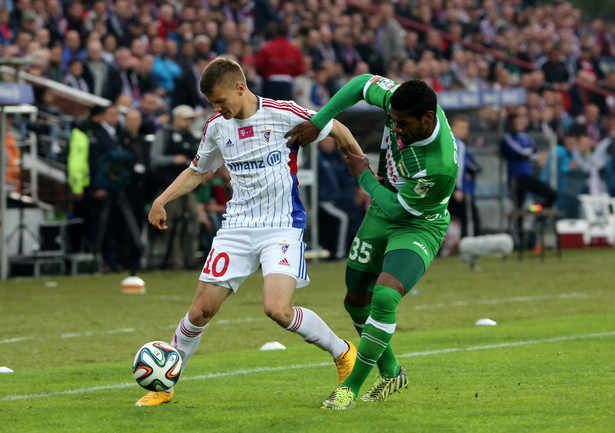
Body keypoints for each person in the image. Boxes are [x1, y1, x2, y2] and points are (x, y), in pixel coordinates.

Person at [136, 57, 361, 407]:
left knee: (278, 310)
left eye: (220, 101)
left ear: (240, 88)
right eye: (212, 103)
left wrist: (364, 174)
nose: (217, 108)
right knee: (199, 312)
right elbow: (197, 171)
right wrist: (161, 200)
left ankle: (344, 353)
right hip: (237, 227)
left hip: (282, 225)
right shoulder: (216, 127)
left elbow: (339, 130)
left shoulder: (282, 112)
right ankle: (163, 387)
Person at [285, 75, 459, 409]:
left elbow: (400, 208)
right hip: (383, 208)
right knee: (355, 299)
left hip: (419, 224)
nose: (395, 130)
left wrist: (363, 174)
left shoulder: (440, 165)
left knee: (384, 295)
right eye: (391, 121)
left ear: (428, 119)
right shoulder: (402, 101)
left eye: (403, 124)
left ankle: (349, 389)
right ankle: (392, 372)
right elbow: (361, 85)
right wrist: (319, 121)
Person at [149, 104, 199, 271]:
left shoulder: (192, 137)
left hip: (190, 188)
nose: (188, 123)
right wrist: (172, 160)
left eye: (190, 119)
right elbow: (154, 159)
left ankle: (191, 260)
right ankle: (176, 262)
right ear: (176, 118)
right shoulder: (164, 134)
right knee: (172, 225)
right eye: (185, 119)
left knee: (192, 222)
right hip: (169, 187)